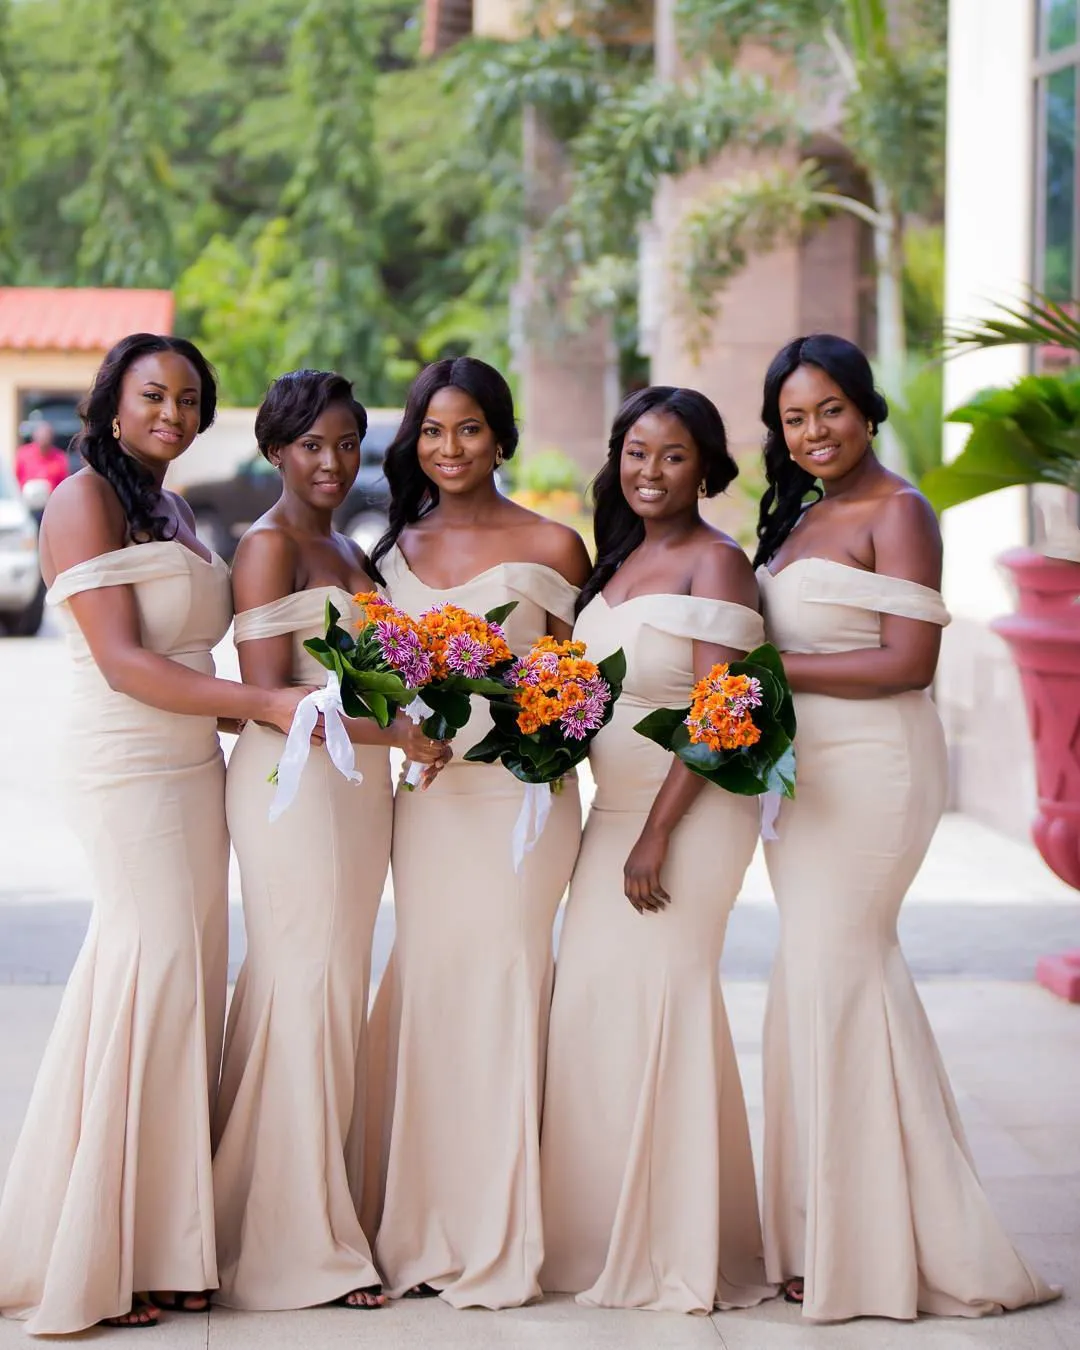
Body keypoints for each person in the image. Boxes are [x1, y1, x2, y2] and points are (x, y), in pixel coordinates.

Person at [0, 334, 311, 1335]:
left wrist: (309, 715)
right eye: (152, 395)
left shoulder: (170, 505)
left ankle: (168, 1247)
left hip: (192, 766)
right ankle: (104, 1250)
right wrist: (266, 708)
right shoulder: (84, 496)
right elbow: (128, 663)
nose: (171, 413)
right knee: (153, 967)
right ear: (112, 401)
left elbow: (195, 662)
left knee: (179, 980)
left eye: (189, 398)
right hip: (127, 761)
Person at [754, 333, 1059, 1322]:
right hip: (803, 779)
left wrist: (765, 679)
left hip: (878, 768)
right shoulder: (799, 516)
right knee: (821, 980)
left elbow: (908, 662)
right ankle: (829, 1231)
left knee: (840, 972)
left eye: (829, 410)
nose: (813, 432)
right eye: (794, 418)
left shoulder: (902, 511)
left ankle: (886, 1243)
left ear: (866, 406)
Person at [211, 369, 449, 1312]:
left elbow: (382, 675)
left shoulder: (349, 545)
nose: (333, 461)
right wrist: (403, 734)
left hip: (358, 791)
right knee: (302, 986)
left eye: (348, 443)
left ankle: (308, 1211)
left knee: (332, 988)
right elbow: (273, 701)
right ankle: (291, 1243)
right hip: (294, 790)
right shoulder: (267, 548)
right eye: (312, 444)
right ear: (275, 450)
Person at [361, 357, 591, 1308]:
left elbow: (586, 690)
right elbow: (373, 685)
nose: (449, 448)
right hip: (430, 802)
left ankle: (504, 1231)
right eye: (431, 431)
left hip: (522, 804)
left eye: (468, 429)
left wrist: (540, 723)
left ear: (501, 434)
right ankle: (422, 1226)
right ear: (413, 441)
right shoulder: (389, 551)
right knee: (434, 983)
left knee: (506, 978)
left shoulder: (557, 544)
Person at [539, 387, 774, 1313]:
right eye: (637, 452)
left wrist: (656, 832)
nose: (650, 471)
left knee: (667, 1000)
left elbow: (727, 712)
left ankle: (679, 1241)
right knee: (596, 1004)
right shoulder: (619, 560)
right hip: (616, 815)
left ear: (707, 467)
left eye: (672, 456)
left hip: (686, 817)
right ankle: (599, 1234)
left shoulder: (718, 565)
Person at [15, 421, 69, 519]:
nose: (44, 440)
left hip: (50, 508)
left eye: (46, 437)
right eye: (41, 437)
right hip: (27, 507)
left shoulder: (60, 458)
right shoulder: (23, 454)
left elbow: (64, 484)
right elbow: (15, 479)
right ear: (34, 437)